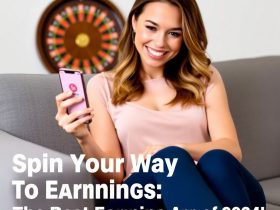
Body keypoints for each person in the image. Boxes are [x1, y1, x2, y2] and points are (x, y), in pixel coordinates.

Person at [55, 0, 266, 209]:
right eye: (151, 28)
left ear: (186, 36)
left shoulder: (205, 77)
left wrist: (179, 149)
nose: (160, 42)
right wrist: (83, 136)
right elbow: (113, 176)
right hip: (143, 195)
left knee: (216, 159)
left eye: (174, 33)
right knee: (168, 159)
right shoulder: (103, 85)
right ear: (135, 22)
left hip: (205, 187)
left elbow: (231, 148)